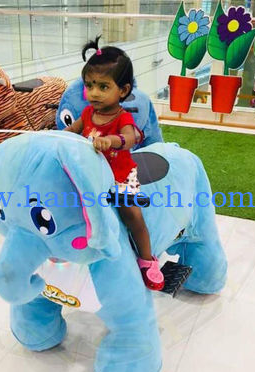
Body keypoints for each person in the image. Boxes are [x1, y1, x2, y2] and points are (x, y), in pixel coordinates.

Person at [65, 36, 164, 291]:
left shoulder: (123, 117)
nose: (94, 93)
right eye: (89, 86)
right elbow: (72, 130)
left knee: (131, 213)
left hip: (120, 176)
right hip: (92, 174)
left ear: (123, 90)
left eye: (103, 86)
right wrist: (57, 136)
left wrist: (111, 140)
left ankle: (147, 259)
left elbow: (131, 138)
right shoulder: (88, 113)